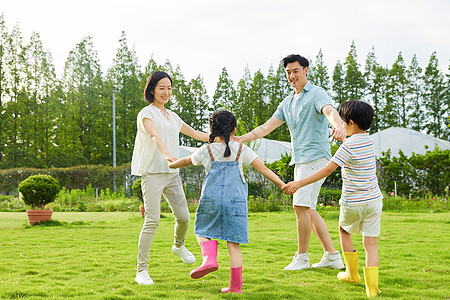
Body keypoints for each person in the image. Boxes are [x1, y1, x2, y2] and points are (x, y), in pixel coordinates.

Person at [234, 54, 345, 270]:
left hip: (316, 156)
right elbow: (266, 127)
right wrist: (241, 139)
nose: (291, 76)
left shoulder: (315, 93)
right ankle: (332, 256)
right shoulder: (287, 102)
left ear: (305, 70)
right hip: (301, 159)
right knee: (308, 208)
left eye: (295, 71)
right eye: (288, 72)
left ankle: (302, 257)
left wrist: (338, 127)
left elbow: (329, 110)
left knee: (300, 205)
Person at [169, 110, 286, 294]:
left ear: (211, 129)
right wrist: (282, 184)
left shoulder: (206, 150)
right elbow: (262, 168)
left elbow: (185, 161)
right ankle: (235, 287)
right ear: (234, 129)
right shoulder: (242, 149)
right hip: (235, 202)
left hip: (211, 199)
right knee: (233, 244)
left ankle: (209, 259)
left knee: (201, 230)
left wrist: (171, 164)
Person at [284, 100, 383, 297]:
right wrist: (344, 140)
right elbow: (354, 145)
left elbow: (327, 170)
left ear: (351, 123)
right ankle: (372, 288)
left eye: (343, 122)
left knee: (344, 232)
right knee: (371, 244)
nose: (341, 125)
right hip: (374, 201)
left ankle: (352, 274)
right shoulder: (370, 141)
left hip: (353, 202)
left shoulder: (346, 148)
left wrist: (299, 183)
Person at [131, 71, 210, 285]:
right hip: (153, 173)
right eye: (161, 88)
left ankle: (178, 245)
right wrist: (167, 155)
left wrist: (221, 136)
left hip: (172, 174)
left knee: (184, 217)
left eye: (169, 88)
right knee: (152, 221)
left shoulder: (172, 116)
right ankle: (142, 271)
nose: (166, 92)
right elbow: (154, 136)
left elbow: (196, 134)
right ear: (152, 90)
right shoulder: (146, 114)